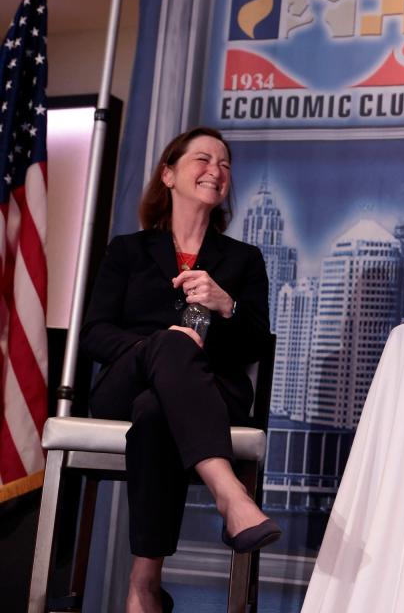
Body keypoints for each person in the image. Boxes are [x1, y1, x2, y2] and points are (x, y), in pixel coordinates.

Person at [81, 127, 280, 612]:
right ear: (168, 174)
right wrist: (158, 348)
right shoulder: (127, 251)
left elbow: (257, 344)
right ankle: (229, 494)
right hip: (124, 386)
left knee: (157, 413)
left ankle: (144, 585)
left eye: (226, 164)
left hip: (212, 389)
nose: (217, 170)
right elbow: (95, 333)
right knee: (167, 352)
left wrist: (226, 305)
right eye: (204, 159)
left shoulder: (244, 259)